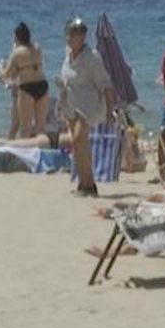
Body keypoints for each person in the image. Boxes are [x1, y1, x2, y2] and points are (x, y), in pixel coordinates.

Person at [58, 17, 116, 197]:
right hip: (71, 104)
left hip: (89, 105)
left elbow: (106, 85)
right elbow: (66, 81)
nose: (70, 37)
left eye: (75, 34)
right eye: (69, 34)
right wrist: (61, 102)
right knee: (78, 144)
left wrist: (109, 111)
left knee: (78, 138)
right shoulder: (68, 55)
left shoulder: (92, 57)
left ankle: (89, 183)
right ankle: (84, 183)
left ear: (82, 37)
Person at [0, 23, 49, 139]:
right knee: (41, 127)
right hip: (42, 85)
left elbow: (6, 75)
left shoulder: (17, 53)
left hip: (27, 88)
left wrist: (0, 68)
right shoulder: (37, 47)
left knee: (25, 127)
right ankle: (41, 148)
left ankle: (24, 149)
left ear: (16, 37)